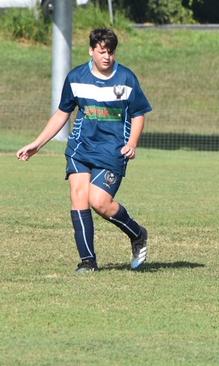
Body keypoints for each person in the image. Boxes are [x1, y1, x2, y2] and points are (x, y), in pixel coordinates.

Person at [16, 28, 152, 273]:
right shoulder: (76, 77)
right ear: (91, 51)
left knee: (99, 202)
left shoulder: (126, 78)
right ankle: (88, 261)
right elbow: (62, 113)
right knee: (79, 195)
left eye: (110, 52)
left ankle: (137, 233)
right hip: (81, 147)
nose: (107, 57)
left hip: (113, 150)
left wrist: (132, 143)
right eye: (102, 52)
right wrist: (37, 143)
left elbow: (139, 114)